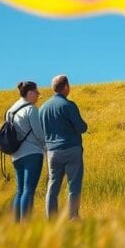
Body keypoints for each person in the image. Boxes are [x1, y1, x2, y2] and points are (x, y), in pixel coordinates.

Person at [39, 74, 88, 220]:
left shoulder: (43, 108)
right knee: (74, 185)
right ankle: (73, 217)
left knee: (53, 186)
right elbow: (81, 127)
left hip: (52, 152)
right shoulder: (68, 105)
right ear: (66, 86)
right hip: (71, 149)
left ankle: (51, 219)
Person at [6, 80, 46, 221]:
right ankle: (26, 225)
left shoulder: (11, 110)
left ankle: (16, 225)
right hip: (32, 154)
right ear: (29, 93)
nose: (38, 94)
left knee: (20, 191)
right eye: (36, 91)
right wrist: (48, 148)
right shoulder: (31, 109)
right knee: (29, 191)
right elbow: (39, 133)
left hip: (16, 155)